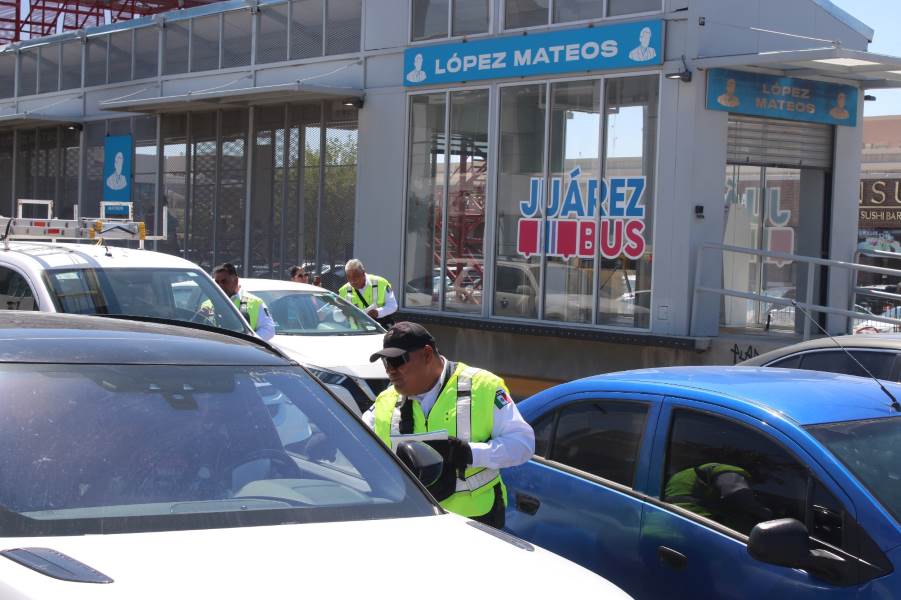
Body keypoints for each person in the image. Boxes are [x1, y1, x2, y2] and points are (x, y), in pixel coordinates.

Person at [363, 322, 535, 528]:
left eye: (397, 361)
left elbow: (523, 445)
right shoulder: (386, 400)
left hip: (475, 523)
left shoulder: (482, 387)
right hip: (412, 520)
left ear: (427, 354)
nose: (391, 370)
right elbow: (355, 437)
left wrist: (469, 453)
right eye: (385, 363)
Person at [664, 462, 772, 534]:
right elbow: (741, 499)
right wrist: (766, 514)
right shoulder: (731, 472)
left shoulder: (686, 474)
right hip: (689, 529)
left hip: (667, 522)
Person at [211, 263, 276, 341]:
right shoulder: (208, 303)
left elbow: (268, 330)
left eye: (224, 281)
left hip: (242, 350)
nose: (220, 285)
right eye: (217, 282)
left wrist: (247, 342)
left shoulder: (256, 302)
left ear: (236, 281)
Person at [339, 259, 397, 328]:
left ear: (363, 273)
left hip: (380, 330)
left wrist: (378, 312)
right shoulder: (343, 291)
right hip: (356, 333)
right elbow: (337, 317)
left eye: (355, 276)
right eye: (349, 277)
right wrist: (343, 313)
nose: (352, 281)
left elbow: (393, 305)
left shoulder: (381, 283)